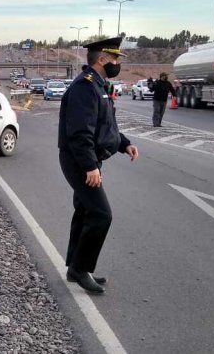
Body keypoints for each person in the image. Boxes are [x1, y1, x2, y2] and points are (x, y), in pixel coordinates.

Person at [57, 37, 139, 295]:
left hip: (89, 158)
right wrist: (90, 167)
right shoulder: (85, 87)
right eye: (115, 58)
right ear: (102, 59)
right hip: (80, 160)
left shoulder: (99, 86)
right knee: (101, 214)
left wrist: (124, 143)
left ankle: (74, 268)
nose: (117, 63)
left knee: (84, 212)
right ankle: (81, 270)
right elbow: (80, 132)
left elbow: (105, 126)